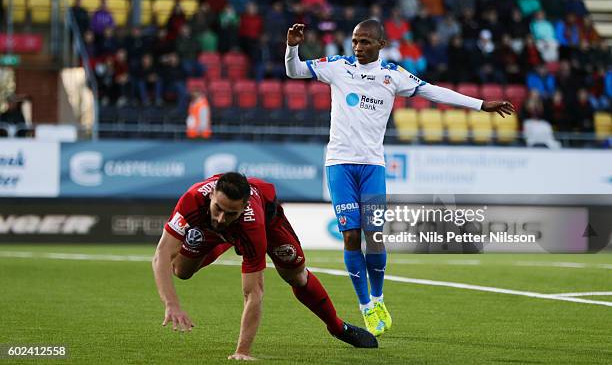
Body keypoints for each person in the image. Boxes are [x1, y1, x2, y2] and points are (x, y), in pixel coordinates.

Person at [284, 20, 515, 336]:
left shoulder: (393, 75)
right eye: (354, 41)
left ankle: (378, 298)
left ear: (380, 43)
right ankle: (366, 305)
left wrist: (480, 105)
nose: (358, 47)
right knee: (351, 236)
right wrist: (292, 46)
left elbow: (433, 92)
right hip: (339, 164)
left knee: (375, 235)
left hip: (372, 167)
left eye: (365, 41)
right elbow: (294, 71)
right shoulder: (337, 67)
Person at [152, 172, 378, 361]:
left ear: (244, 207)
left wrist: (242, 351)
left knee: (296, 276)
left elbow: (254, 293)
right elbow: (161, 254)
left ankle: (338, 327)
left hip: (269, 225)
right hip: (211, 230)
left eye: (230, 213)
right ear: (211, 195)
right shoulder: (192, 200)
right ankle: (227, 239)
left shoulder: (253, 224)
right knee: (181, 271)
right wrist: (172, 304)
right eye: (218, 208)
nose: (221, 218)